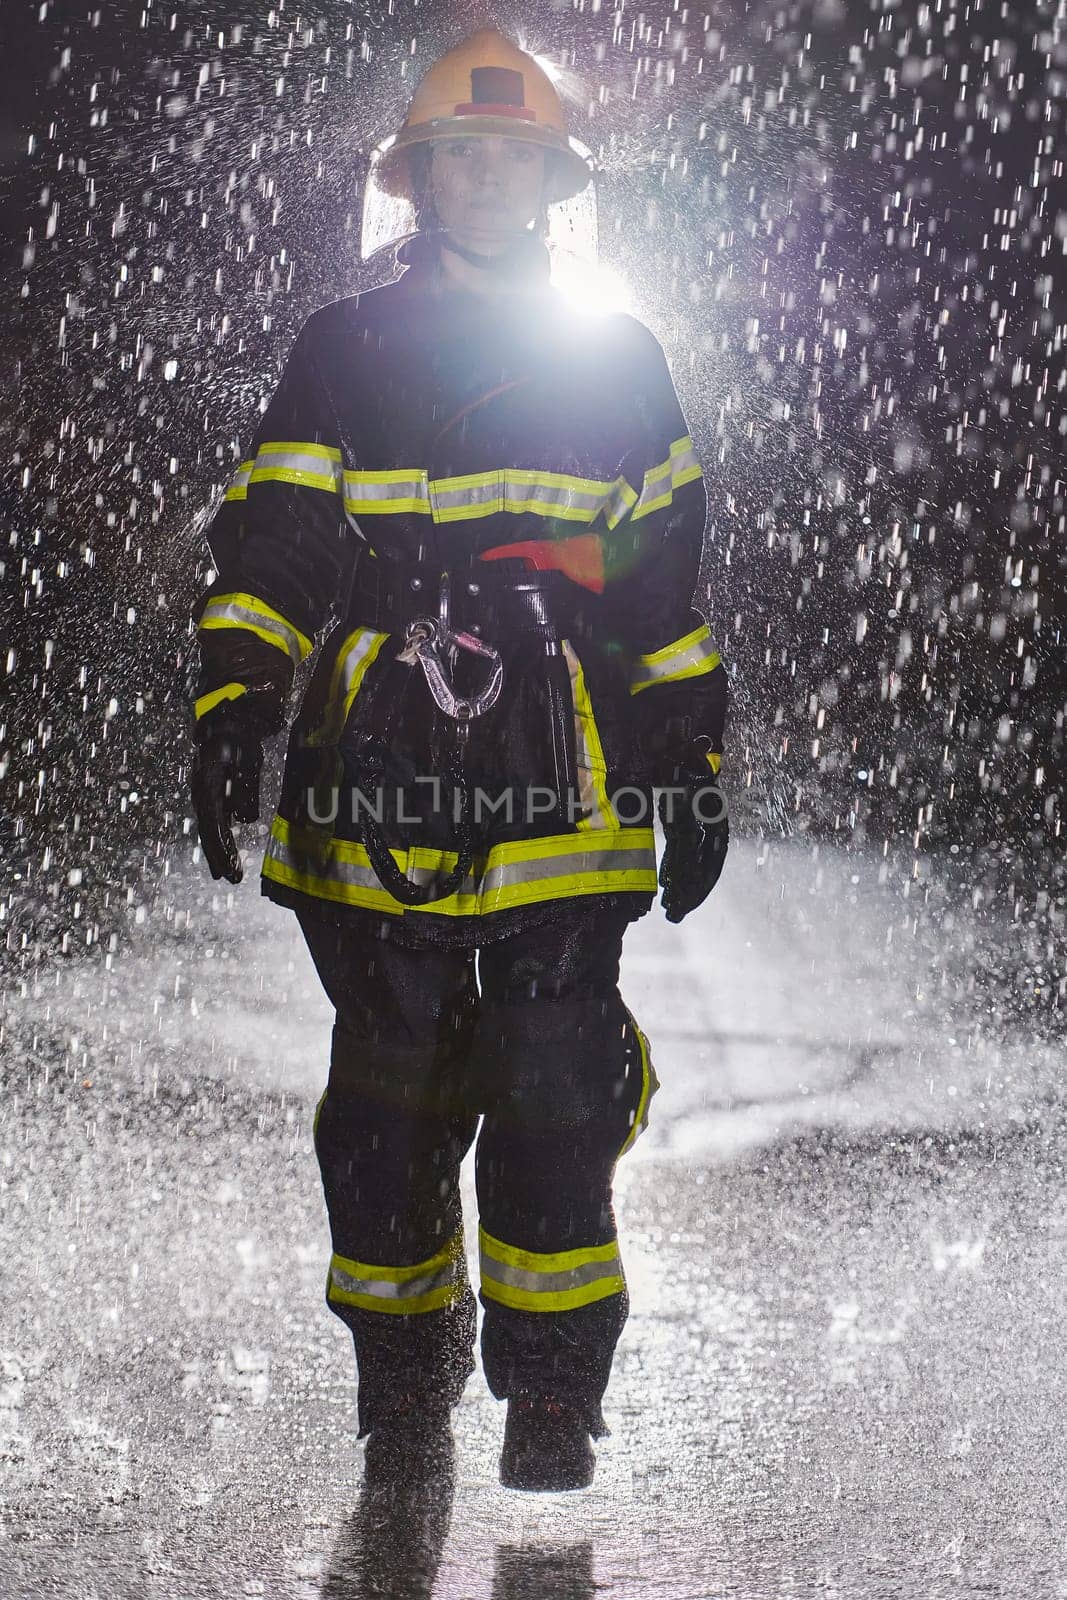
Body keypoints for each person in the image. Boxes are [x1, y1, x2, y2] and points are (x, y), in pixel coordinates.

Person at [188, 28, 729, 1494]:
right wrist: (234, 698)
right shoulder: (344, 347)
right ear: (421, 177)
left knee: (554, 1085)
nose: (484, 178)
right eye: (460, 153)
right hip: (375, 783)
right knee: (387, 1109)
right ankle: (405, 1377)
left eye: (512, 156)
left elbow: (659, 587)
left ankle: (551, 1399)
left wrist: (690, 763)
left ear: (552, 183)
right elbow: (280, 545)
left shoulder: (616, 359)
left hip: (565, 783)